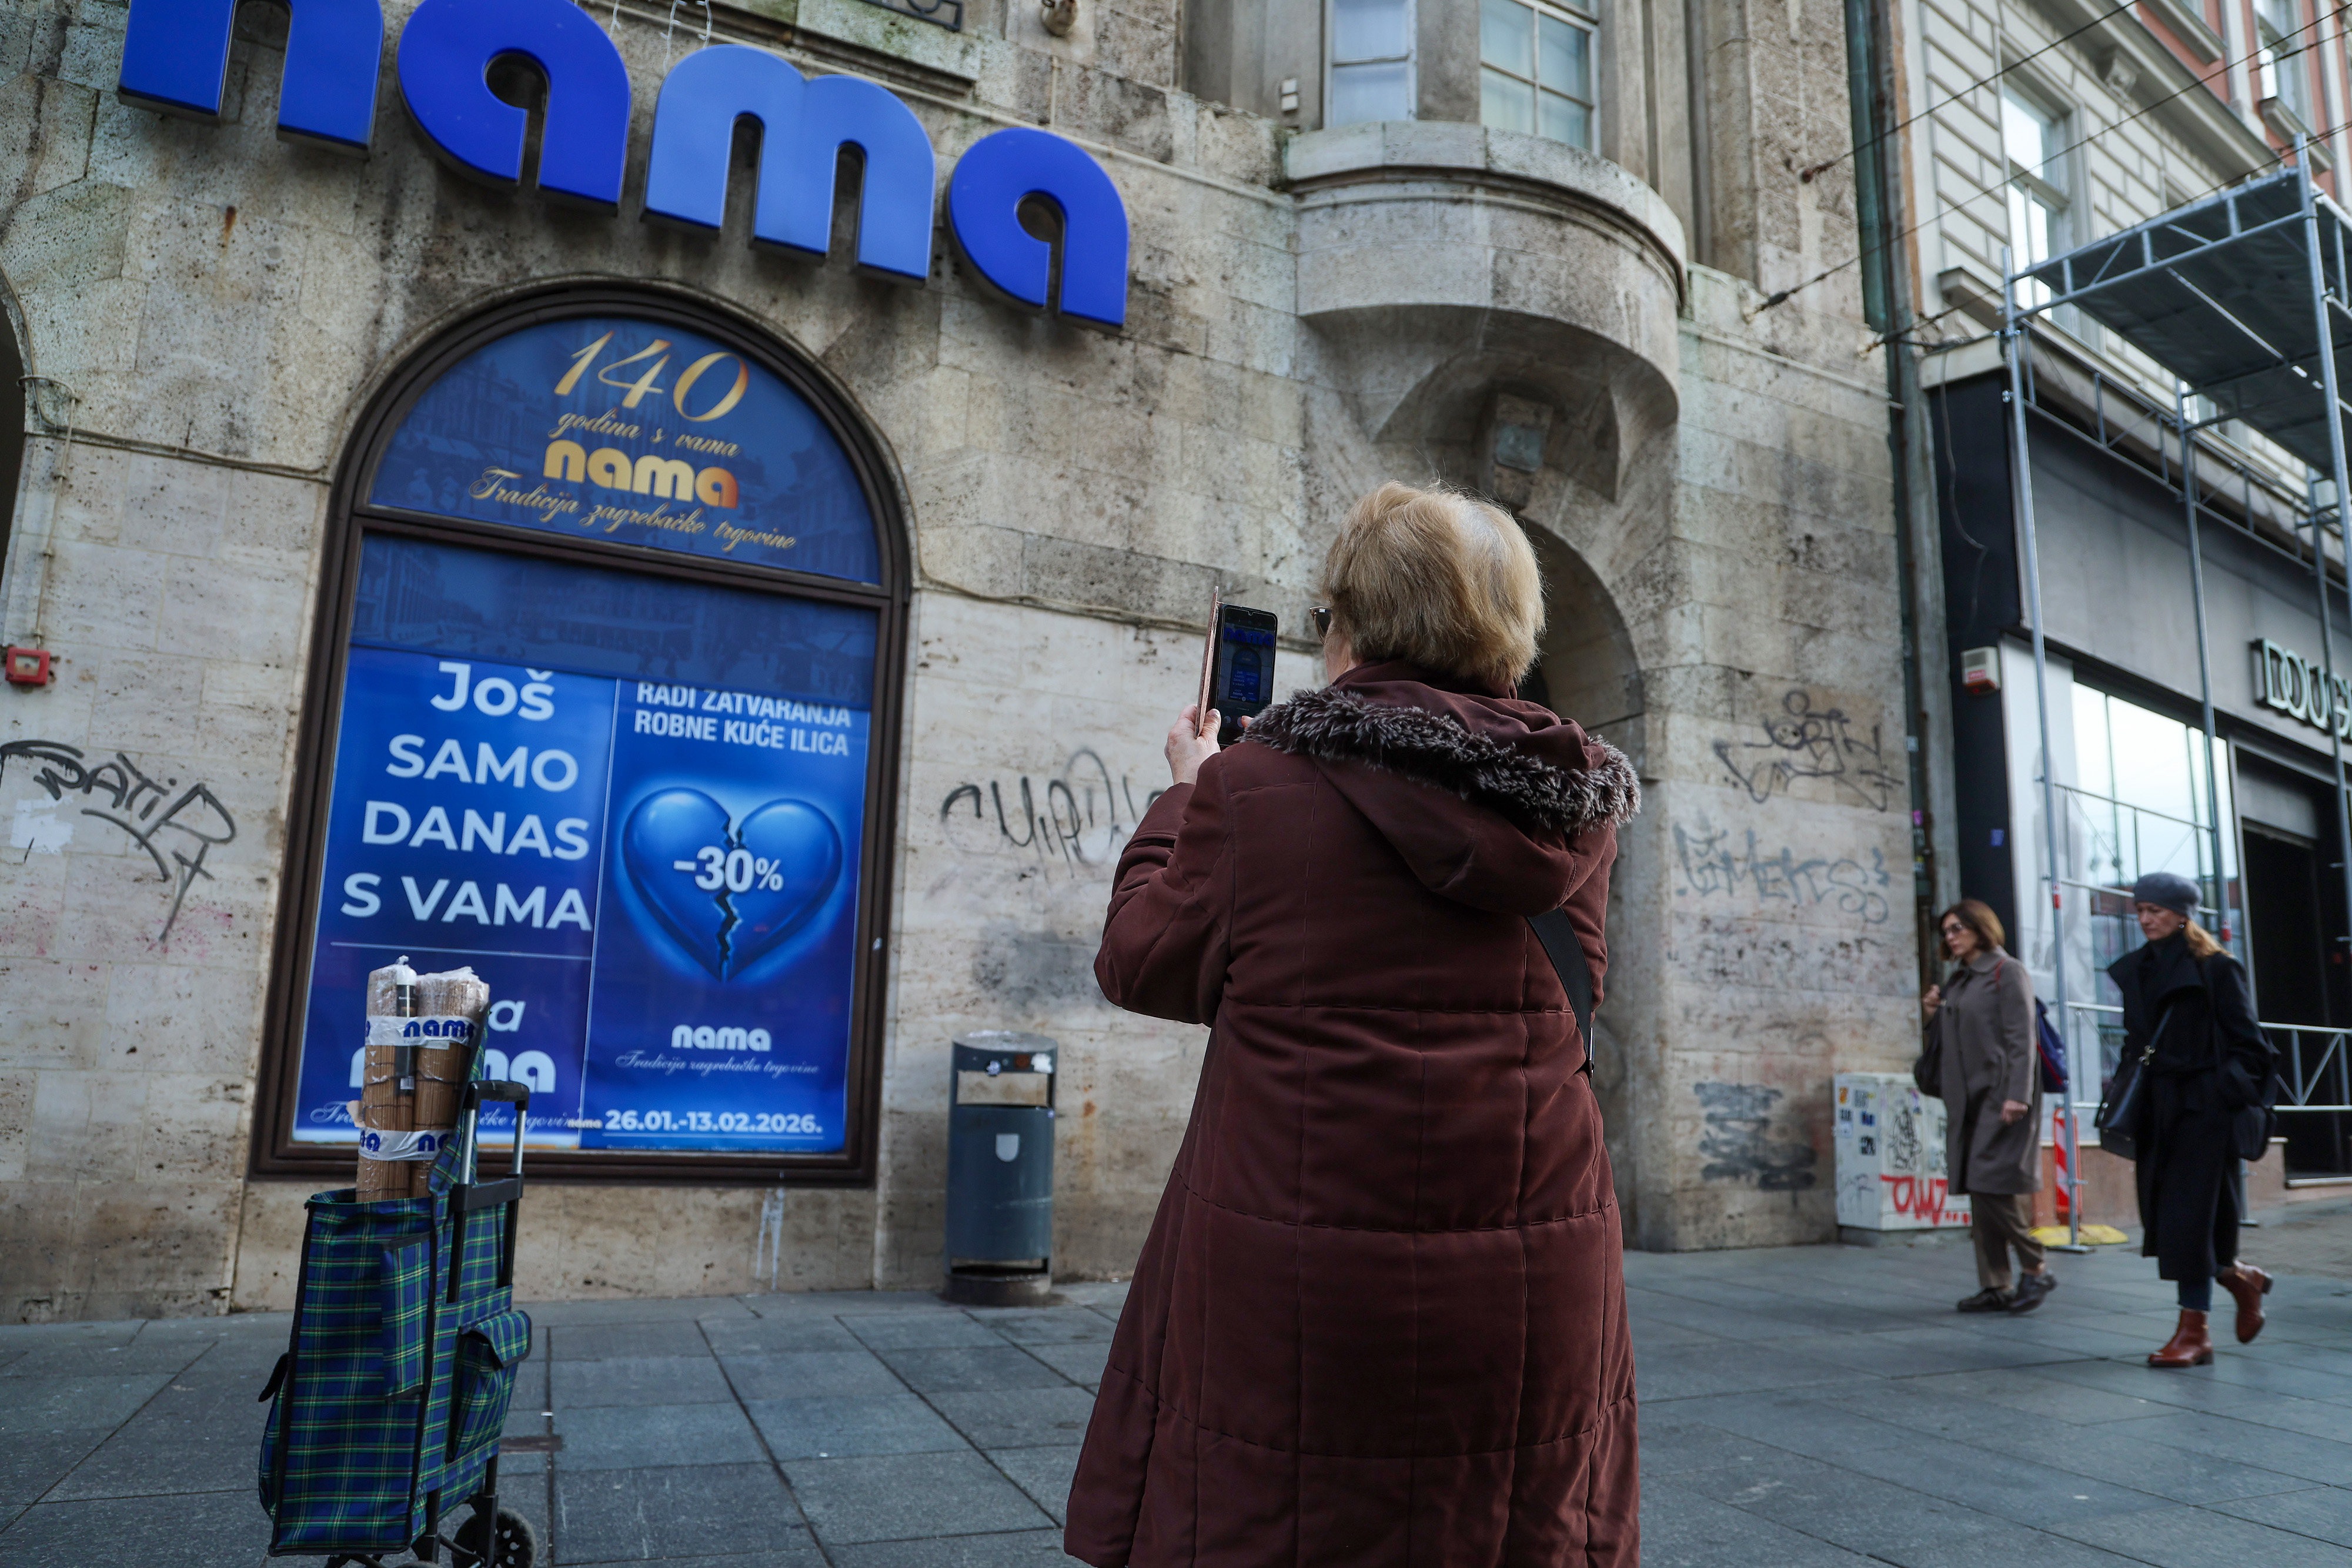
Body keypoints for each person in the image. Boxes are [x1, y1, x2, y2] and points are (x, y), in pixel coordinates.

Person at [1064, 482, 1643, 1567]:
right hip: (1536, 1262)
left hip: (1302, 1258)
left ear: (1351, 626)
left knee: (1290, 1514)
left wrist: (1186, 793)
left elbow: (1143, 963)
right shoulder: (1575, 801)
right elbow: (1580, 990)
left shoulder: (1252, 787)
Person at [2109, 871, 2278, 1366]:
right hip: (2159, 1111)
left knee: (2189, 1220)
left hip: (2203, 1112)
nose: (2144, 919)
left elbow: (2253, 1047)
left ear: (2183, 913)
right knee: (2170, 1219)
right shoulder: (2139, 969)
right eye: (2139, 910)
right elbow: (2135, 1041)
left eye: (2155, 910)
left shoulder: (2217, 969)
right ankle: (2241, 1279)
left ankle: (2194, 1331)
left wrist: (2219, 1091)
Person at [1917, 899, 2054, 1313]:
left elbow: (2021, 1038)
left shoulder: (2006, 971)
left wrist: (2018, 1094)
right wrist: (1930, 1015)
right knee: (1981, 1191)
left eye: (1958, 928)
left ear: (1981, 927)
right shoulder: (1957, 981)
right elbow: (1948, 1043)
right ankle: (1996, 1283)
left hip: (2002, 1097)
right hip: (1966, 1100)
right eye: (1946, 931)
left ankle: (2036, 1265)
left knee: (1988, 1183)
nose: (1951, 936)